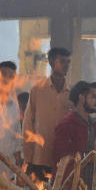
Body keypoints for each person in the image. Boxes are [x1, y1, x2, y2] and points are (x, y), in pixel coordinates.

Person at [23, 47, 71, 179]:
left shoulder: (71, 93)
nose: (66, 66)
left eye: (68, 62)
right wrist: (28, 157)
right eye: (62, 62)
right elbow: (28, 124)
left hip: (63, 158)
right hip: (40, 157)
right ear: (51, 62)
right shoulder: (37, 90)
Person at [52, 80, 96, 186]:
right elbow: (61, 159)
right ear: (81, 98)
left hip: (90, 185)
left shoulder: (93, 125)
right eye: (93, 97)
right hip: (72, 188)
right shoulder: (67, 125)